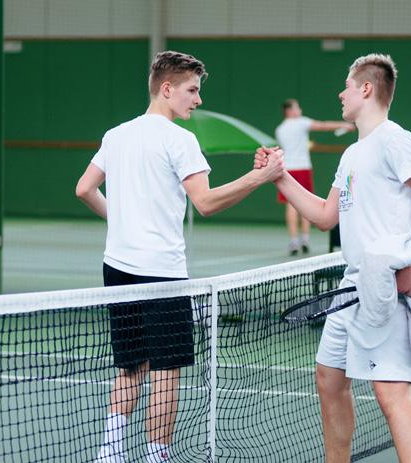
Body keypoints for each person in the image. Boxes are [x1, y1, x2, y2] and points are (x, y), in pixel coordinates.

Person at [76, 50, 285, 463]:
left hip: (116, 269)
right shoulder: (180, 140)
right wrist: (258, 177)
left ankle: (110, 453)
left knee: (130, 367)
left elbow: (84, 189)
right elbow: (205, 203)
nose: (198, 99)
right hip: (162, 275)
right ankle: (157, 457)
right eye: (192, 90)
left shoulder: (115, 134)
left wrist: (120, 223)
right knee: (165, 372)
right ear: (167, 89)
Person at [256, 54, 411, 462]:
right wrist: (280, 177)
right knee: (329, 379)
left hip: (384, 285)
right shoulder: (352, 154)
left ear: (366, 89)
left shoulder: (395, 139)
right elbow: (327, 215)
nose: (340, 93)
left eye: (346, 85)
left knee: (391, 393)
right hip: (350, 286)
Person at [274, 99, 354, 255]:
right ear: (289, 111)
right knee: (305, 202)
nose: (300, 110)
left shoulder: (280, 129)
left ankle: (294, 241)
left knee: (291, 205)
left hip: (287, 170)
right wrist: (344, 125)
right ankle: (304, 238)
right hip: (302, 168)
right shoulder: (301, 123)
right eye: (297, 107)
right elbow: (323, 125)